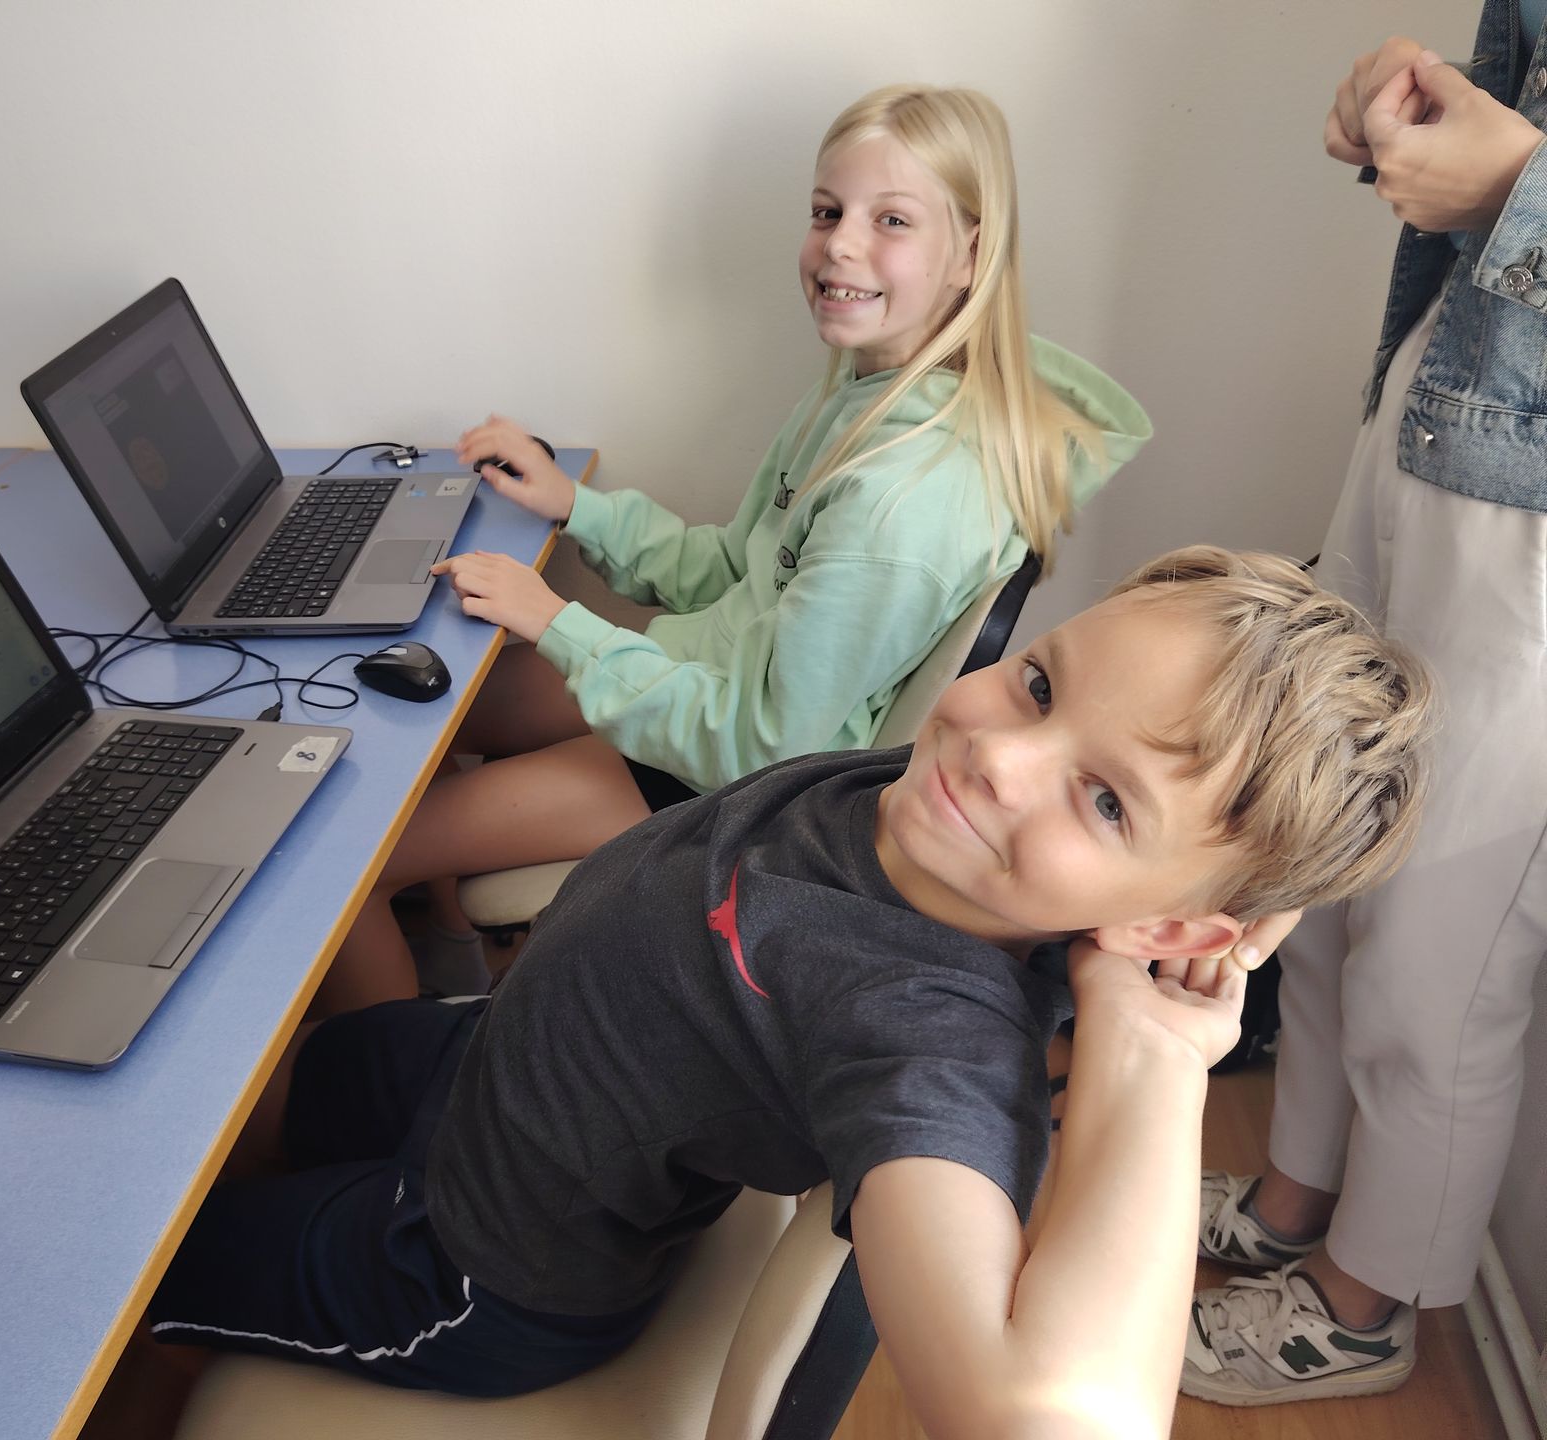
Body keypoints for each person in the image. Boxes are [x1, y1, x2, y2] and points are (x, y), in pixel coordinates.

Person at [140, 547, 1433, 1438]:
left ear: (1164, 921)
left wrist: (1153, 1048)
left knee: (137, 1269)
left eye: (1104, 802)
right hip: (493, 1070)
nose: (999, 753)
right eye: (1040, 683)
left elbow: (1050, 1421)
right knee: (242, 1106)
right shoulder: (940, 814)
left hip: (466, 1267)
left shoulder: (920, 1025)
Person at [318, 83, 1153, 1013]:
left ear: (970, 254)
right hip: (706, 691)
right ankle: (451, 967)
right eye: (828, 212)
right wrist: (576, 506)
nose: (841, 245)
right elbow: (736, 571)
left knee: (343, 858)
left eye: (890, 220)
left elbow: (769, 742)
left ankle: (400, 1073)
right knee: (427, 704)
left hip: (726, 778)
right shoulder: (870, 396)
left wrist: (557, 622)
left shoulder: (904, 501)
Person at [1181, 17, 1547, 1407]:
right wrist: (1429, 123)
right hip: (1444, 400)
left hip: (1531, 511)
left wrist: (1514, 185)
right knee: (1323, 844)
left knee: (1442, 947)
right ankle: (1297, 1196)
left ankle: (1363, 1303)